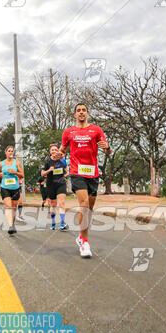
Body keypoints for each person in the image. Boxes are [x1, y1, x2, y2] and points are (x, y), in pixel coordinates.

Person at [59, 103, 111, 257]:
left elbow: (107, 151)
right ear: (75, 115)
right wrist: (58, 155)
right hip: (77, 172)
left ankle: (81, 237)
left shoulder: (96, 130)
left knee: (89, 209)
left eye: (83, 110)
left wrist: (107, 147)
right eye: (78, 111)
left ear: (87, 114)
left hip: (93, 173)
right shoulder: (69, 132)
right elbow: (63, 150)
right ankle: (86, 242)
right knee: (84, 205)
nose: (81, 112)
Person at [0, 146, 24, 235]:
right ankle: (10, 226)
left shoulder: (16, 163)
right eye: (9, 151)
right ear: (6, 153)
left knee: (14, 208)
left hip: (15, 188)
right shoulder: (1, 163)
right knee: (8, 206)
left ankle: (12, 223)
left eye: (12, 151)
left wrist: (15, 172)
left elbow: (22, 175)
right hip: (5, 187)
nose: (11, 152)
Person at [42, 144, 69, 231]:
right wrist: (49, 170)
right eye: (52, 150)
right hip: (51, 185)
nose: (54, 151)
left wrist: (66, 174)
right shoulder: (47, 162)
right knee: (53, 205)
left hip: (61, 184)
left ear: (58, 151)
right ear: (50, 152)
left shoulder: (62, 160)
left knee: (62, 203)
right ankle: (53, 222)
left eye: (56, 149)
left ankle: (62, 223)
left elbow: (67, 169)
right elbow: (42, 174)